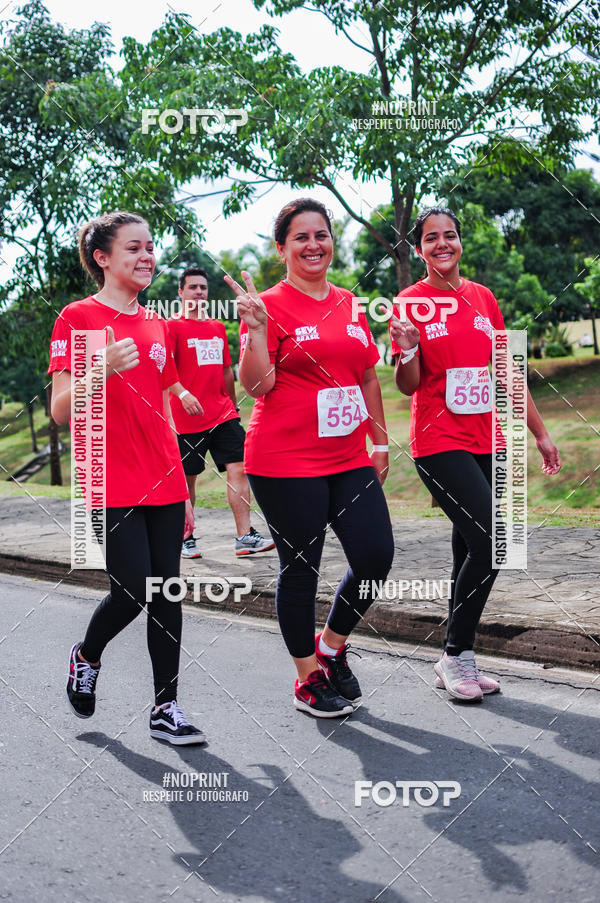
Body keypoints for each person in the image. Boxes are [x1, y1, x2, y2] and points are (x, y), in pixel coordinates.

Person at [228, 197, 395, 718]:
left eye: (321, 234)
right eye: (300, 237)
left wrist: (381, 440)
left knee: (375, 556)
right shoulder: (267, 305)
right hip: (284, 459)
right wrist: (256, 332)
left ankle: (332, 645)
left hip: (348, 455)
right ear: (282, 249)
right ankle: (306, 679)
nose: (313, 245)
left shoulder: (348, 302)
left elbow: (367, 374)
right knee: (301, 567)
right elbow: (257, 386)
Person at [389, 206, 562, 702]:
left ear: (460, 241)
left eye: (450, 236)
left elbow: (508, 372)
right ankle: (453, 654)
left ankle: (457, 655)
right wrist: (406, 351)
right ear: (418, 249)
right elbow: (407, 385)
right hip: (439, 441)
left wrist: (541, 433)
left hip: (490, 438)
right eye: (431, 239)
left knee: (471, 546)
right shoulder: (410, 302)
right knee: (493, 541)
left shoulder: (483, 297)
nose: (442, 245)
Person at [49, 210, 205, 744]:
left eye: (150, 247)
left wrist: (183, 488)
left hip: (163, 476)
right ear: (103, 258)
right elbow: (60, 411)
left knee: (167, 591)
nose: (147, 257)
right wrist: (99, 368)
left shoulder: (157, 323)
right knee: (133, 590)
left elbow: (161, 409)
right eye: (134, 248)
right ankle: (86, 655)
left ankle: (166, 709)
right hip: (107, 481)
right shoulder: (76, 318)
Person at [168, 266, 274, 558]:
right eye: (192, 287)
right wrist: (182, 393)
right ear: (181, 292)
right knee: (189, 479)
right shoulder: (172, 327)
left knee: (239, 467)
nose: (199, 292)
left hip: (223, 414)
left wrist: (232, 403)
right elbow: (164, 370)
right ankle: (184, 538)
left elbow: (227, 370)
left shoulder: (216, 328)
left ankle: (244, 536)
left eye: (203, 287)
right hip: (186, 419)